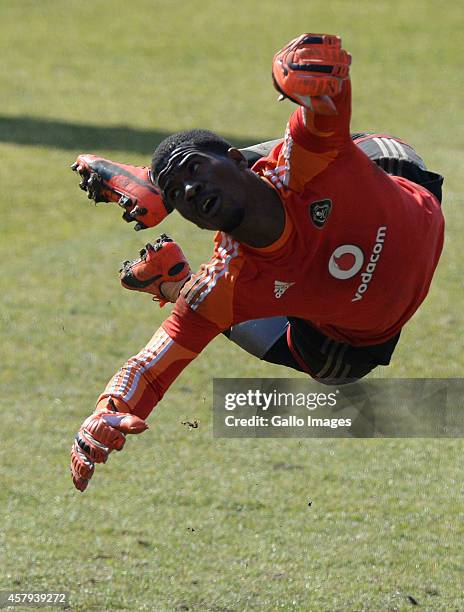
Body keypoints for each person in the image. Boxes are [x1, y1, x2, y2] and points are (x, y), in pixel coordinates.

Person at [70, 33, 445, 492]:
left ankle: (154, 185)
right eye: (176, 194)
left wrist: (311, 70)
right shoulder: (227, 282)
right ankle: (174, 281)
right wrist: (105, 412)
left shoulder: (306, 158)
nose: (189, 190)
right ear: (187, 216)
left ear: (234, 159)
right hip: (355, 340)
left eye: (192, 170)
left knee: (374, 149)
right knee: (331, 371)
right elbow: (148, 367)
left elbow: (326, 103)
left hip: (405, 189)